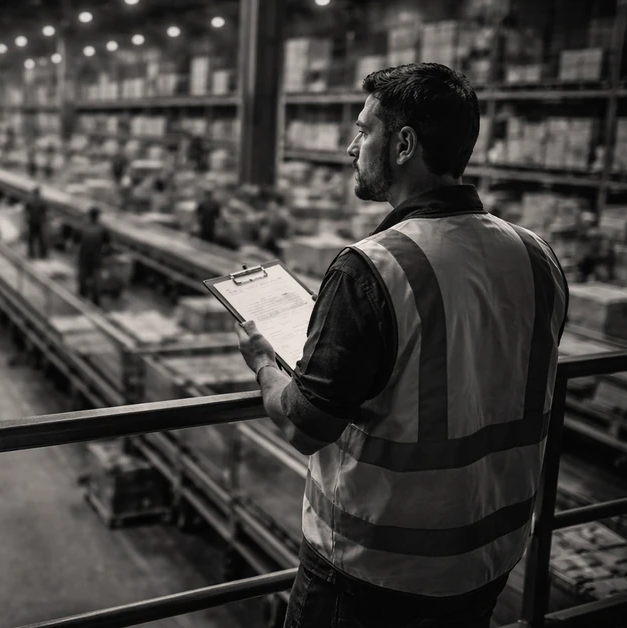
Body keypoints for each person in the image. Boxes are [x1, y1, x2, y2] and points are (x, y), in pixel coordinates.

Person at [234, 63, 568, 628]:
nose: (350, 147)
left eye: (364, 131)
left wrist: (265, 363)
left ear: (405, 144)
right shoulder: (538, 257)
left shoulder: (373, 268)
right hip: (488, 560)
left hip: (374, 574)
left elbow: (303, 423)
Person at [77, 207, 110, 306]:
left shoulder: (82, 227)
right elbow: (107, 244)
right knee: (96, 282)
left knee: (82, 280)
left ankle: (81, 300)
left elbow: (75, 241)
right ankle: (96, 302)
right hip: (96, 259)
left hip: (84, 258)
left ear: (89, 215)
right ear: (98, 216)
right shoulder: (102, 229)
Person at [25, 187, 48, 260]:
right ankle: (41, 254)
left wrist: (27, 220)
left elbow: (27, 213)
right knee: (38, 239)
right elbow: (44, 214)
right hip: (37, 223)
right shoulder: (41, 202)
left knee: (34, 239)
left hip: (34, 223)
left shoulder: (31, 202)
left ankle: (33, 254)